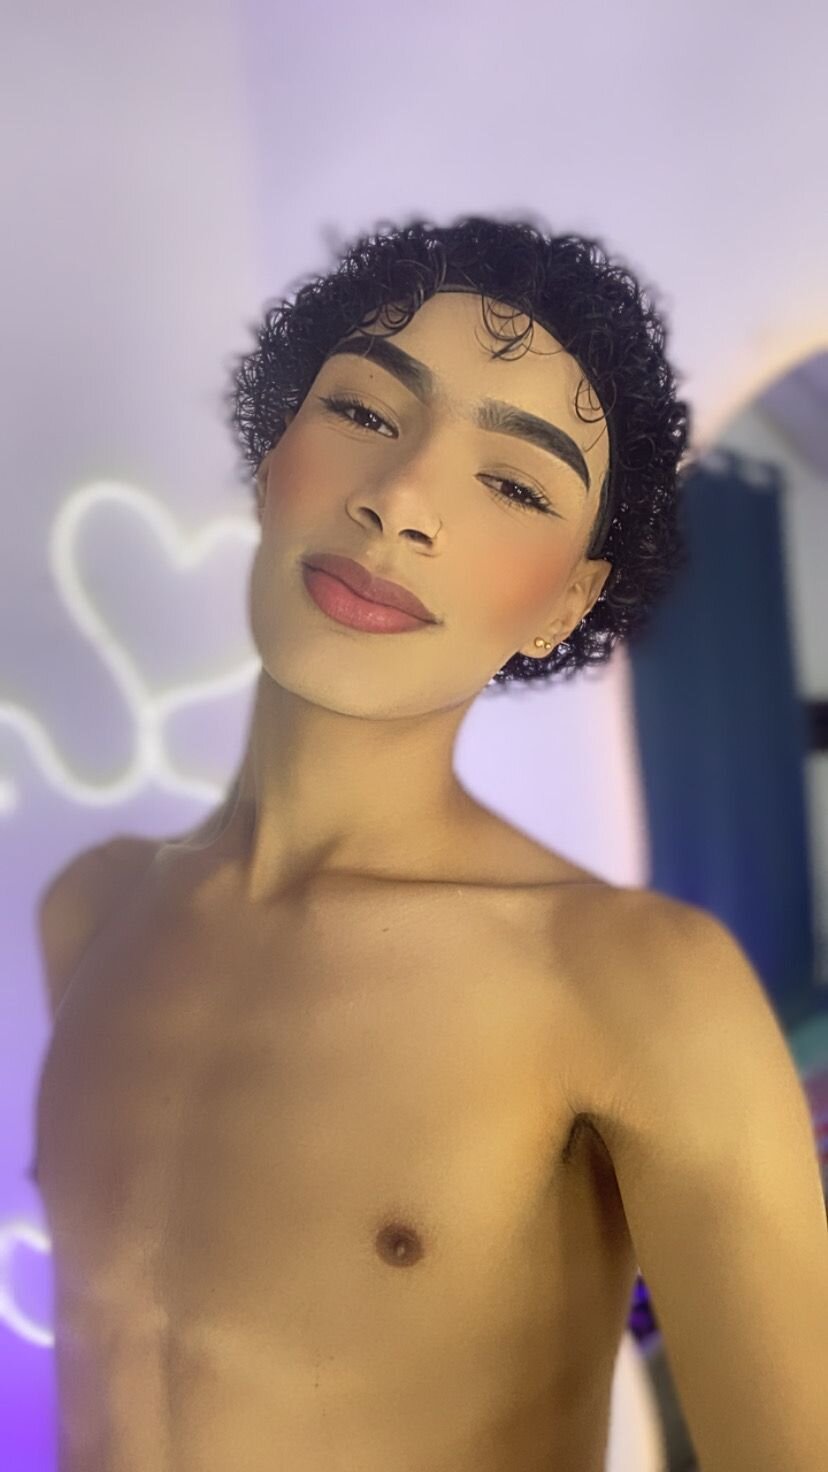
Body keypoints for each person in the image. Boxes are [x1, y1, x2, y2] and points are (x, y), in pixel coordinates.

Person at [34, 216, 828, 1472]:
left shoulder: (632, 983)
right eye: (363, 410)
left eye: (515, 484)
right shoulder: (91, 908)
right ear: (275, 455)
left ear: (567, 598)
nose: (400, 500)